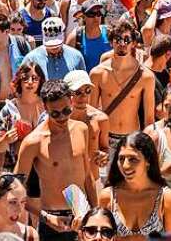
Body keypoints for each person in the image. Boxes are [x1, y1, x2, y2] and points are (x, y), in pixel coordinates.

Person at [15, 79, 98, 241]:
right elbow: (15, 191)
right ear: (45, 108)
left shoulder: (81, 129)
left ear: (71, 102)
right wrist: (45, 217)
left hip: (83, 217)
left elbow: (87, 177)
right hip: (52, 222)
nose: (62, 117)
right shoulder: (34, 142)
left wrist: (95, 214)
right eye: (55, 113)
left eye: (66, 110)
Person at [98, 132, 171, 241]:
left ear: (147, 161)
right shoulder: (107, 196)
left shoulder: (165, 197)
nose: (125, 165)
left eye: (133, 159)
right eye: (121, 159)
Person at [89, 19, 155, 149]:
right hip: (105, 140)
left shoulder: (146, 76)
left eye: (126, 39)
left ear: (134, 43)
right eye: (118, 39)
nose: (122, 44)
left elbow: (149, 119)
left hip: (132, 139)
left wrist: (147, 147)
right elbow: (91, 112)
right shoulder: (97, 74)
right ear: (111, 41)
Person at [64, 70, 110, 184]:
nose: (83, 96)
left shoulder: (101, 119)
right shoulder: (59, 120)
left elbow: (104, 147)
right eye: (77, 92)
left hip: (94, 181)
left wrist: (104, 156)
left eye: (87, 91)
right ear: (66, 93)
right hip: (67, 182)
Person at [22, 17, 86, 80]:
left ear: (63, 34)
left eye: (56, 45)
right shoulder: (31, 59)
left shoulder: (77, 56)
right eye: (51, 45)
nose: (54, 48)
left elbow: (83, 84)